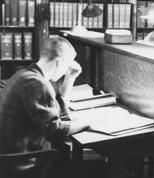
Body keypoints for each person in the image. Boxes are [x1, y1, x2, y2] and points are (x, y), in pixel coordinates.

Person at [0, 36, 90, 170]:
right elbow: (55, 132)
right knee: (88, 172)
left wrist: (69, 79)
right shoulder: (37, 84)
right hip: (22, 166)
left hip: (8, 160)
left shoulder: (25, 75)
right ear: (60, 62)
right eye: (67, 65)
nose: (67, 70)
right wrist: (87, 123)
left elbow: (58, 114)